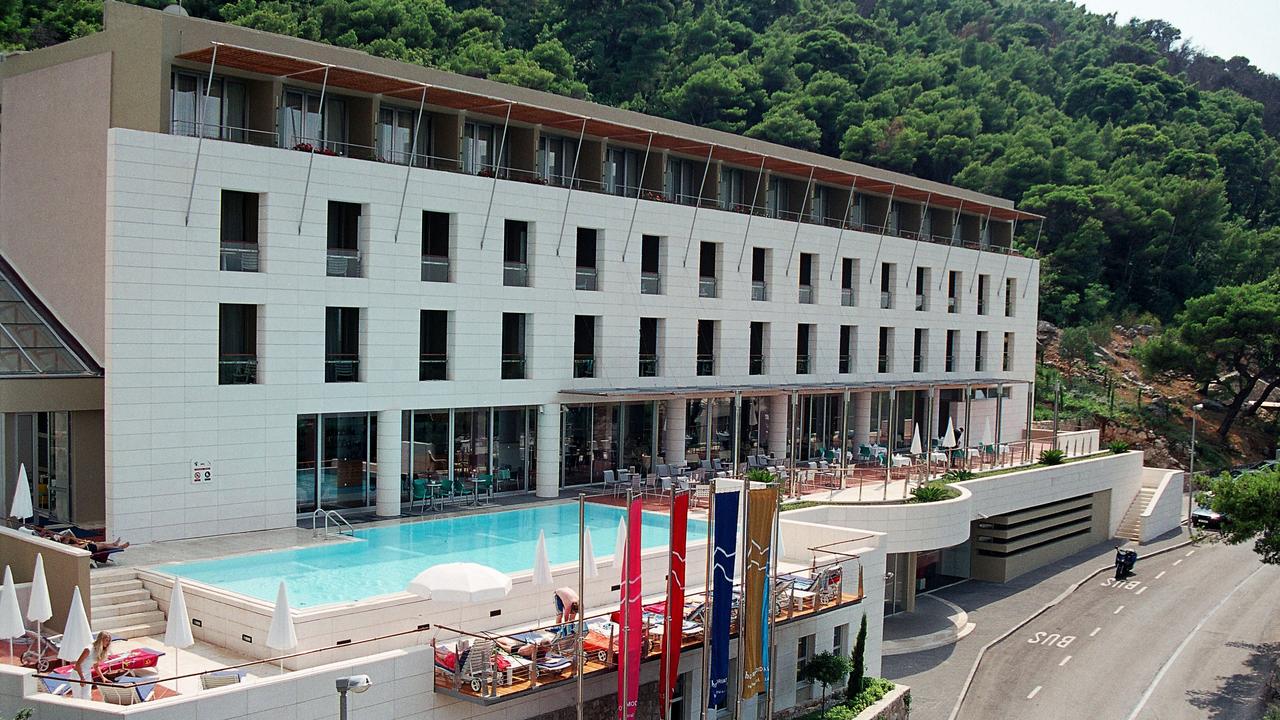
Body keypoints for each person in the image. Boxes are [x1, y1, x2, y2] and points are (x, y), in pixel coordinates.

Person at [73, 631, 112, 699]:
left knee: (87, 696)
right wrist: (82, 678)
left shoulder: (99, 650)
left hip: (87, 674)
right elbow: (77, 664)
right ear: (101, 640)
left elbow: (96, 666)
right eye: (106, 640)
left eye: (109, 641)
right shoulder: (88, 649)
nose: (108, 643)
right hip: (77, 675)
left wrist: (103, 678)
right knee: (78, 697)